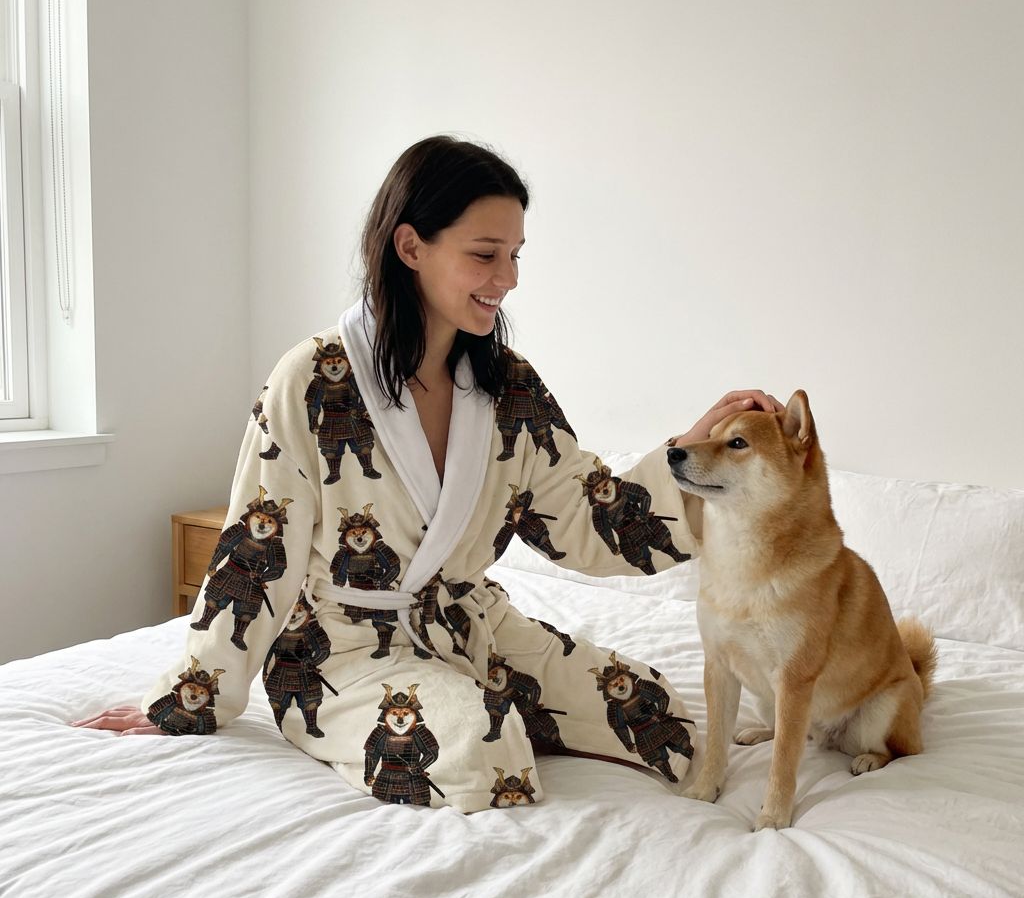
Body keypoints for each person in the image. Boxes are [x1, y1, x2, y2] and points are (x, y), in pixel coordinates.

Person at [73, 136, 783, 813]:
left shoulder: (508, 388)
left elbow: (587, 519)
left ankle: (488, 697)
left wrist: (692, 452)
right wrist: (187, 699)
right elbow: (257, 556)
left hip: (470, 628)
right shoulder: (314, 381)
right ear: (411, 245)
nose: (508, 278)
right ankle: (473, 713)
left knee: (659, 715)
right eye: (486, 254)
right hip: (338, 651)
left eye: (515, 254)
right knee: (481, 750)